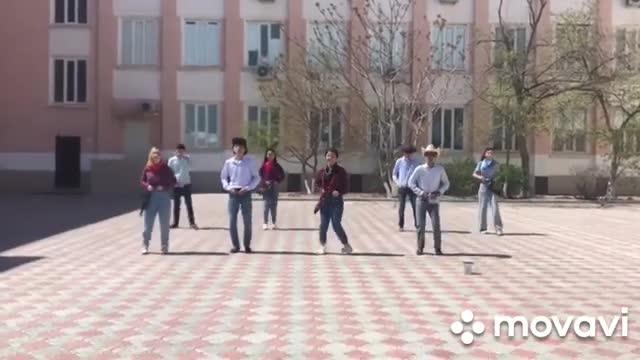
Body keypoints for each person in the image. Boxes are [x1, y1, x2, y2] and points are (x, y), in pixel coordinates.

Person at [220, 137, 261, 254]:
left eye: (241, 147)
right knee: (232, 220)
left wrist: (248, 187)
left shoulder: (250, 162)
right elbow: (223, 177)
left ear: (245, 149)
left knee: (247, 220)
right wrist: (228, 188)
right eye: (236, 147)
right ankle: (236, 245)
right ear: (233, 149)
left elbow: (256, 177)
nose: (239, 149)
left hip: (245, 193)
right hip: (233, 193)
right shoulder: (229, 163)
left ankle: (247, 245)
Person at [409, 145, 450, 256]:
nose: (430, 157)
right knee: (420, 225)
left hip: (434, 200)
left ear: (435, 156)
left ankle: (437, 248)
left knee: (436, 225)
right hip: (421, 199)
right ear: (424, 156)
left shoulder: (439, 169)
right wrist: (421, 192)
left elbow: (446, 183)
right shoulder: (420, 169)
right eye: (427, 154)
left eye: (432, 154)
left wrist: (439, 191)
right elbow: (411, 183)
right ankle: (420, 247)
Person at [314, 148, 353, 255]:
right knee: (323, 224)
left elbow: (346, 187)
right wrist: (320, 189)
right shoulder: (322, 172)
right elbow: (317, 183)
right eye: (328, 156)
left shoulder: (341, 172)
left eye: (332, 156)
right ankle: (323, 245)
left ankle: (346, 245)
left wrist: (338, 192)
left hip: (336, 202)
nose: (330, 158)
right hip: (325, 201)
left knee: (336, 223)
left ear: (336, 158)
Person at [140, 147, 176, 255]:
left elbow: (174, 181)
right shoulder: (147, 168)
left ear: (160, 156)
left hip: (164, 198)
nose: (156, 157)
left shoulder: (166, 168)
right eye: (154, 155)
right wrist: (147, 186)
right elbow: (142, 181)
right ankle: (145, 244)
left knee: (164, 224)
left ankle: (164, 246)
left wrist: (165, 188)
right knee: (148, 224)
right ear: (151, 156)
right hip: (151, 198)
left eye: (158, 155)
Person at [473, 147, 503, 235]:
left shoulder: (496, 164)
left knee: (495, 208)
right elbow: (474, 173)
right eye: (488, 153)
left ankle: (498, 228)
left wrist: (495, 180)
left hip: (492, 187)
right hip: (483, 187)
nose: (490, 154)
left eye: (491, 153)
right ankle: (483, 228)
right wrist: (480, 177)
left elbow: (500, 175)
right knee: (482, 208)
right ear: (485, 154)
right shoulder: (481, 163)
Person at [168, 144, 198, 230]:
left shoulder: (187, 159)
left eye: (182, 151)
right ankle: (175, 223)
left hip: (186, 184)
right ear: (176, 151)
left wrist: (186, 157)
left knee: (188, 204)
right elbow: (169, 172)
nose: (180, 153)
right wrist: (172, 181)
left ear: (184, 151)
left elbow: (192, 166)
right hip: (176, 185)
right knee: (176, 204)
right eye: (178, 151)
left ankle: (192, 223)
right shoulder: (171, 160)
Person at [392, 145, 421, 231]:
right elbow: (394, 173)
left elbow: (419, 175)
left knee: (415, 206)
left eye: (410, 154)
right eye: (406, 154)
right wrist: (397, 182)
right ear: (404, 153)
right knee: (401, 207)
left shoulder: (416, 162)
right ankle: (401, 225)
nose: (408, 156)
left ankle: (417, 225)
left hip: (412, 188)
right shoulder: (399, 162)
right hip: (402, 187)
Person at [259, 148, 285, 230]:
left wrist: (277, 181)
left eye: (272, 154)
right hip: (266, 187)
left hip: (274, 186)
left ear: (274, 156)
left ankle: (274, 223)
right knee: (266, 205)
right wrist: (263, 183)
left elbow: (282, 175)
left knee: (274, 205)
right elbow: (260, 176)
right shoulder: (264, 166)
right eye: (269, 154)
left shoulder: (277, 166)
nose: (270, 156)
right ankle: (265, 223)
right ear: (266, 156)